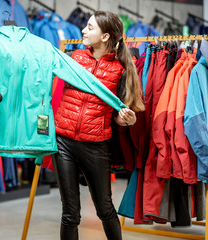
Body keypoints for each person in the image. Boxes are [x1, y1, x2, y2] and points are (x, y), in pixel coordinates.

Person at [53, 11, 144, 240]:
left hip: (95, 145)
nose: (83, 30)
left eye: (90, 27)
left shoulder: (120, 70)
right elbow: (37, 59)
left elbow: (121, 113)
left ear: (105, 37)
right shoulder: (74, 58)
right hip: (63, 142)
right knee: (70, 214)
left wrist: (126, 118)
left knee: (105, 209)